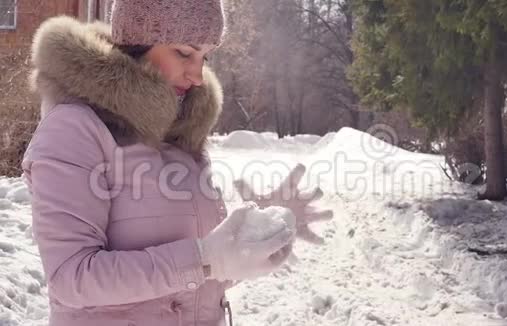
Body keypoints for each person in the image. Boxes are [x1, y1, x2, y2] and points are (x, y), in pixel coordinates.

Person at [21, 1, 333, 325]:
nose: (198, 76)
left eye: (205, 57)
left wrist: (254, 240)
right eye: (184, 53)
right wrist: (205, 259)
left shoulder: (183, 132)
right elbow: (72, 279)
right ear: (136, 42)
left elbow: (195, 279)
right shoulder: (75, 129)